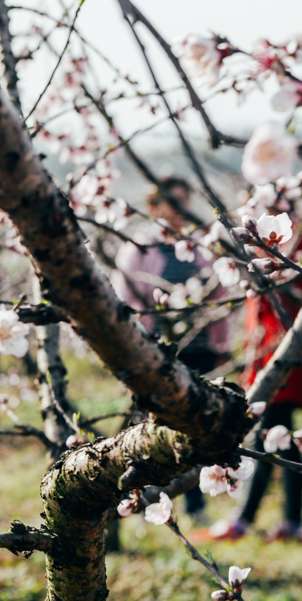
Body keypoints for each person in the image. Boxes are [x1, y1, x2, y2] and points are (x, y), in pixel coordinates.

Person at [114, 178, 230, 524]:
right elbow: (127, 302)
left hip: (199, 349)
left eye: (185, 201)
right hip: (156, 353)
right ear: (156, 207)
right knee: (158, 427)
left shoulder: (200, 245)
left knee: (197, 426)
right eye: (173, 202)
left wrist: (221, 343)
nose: (181, 210)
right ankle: (147, 499)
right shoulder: (139, 248)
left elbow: (219, 296)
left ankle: (195, 504)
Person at [203, 231, 302, 543]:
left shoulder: (297, 244)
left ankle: (245, 521)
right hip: (264, 355)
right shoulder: (254, 244)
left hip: (284, 357)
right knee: (281, 438)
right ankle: (290, 521)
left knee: (267, 435)